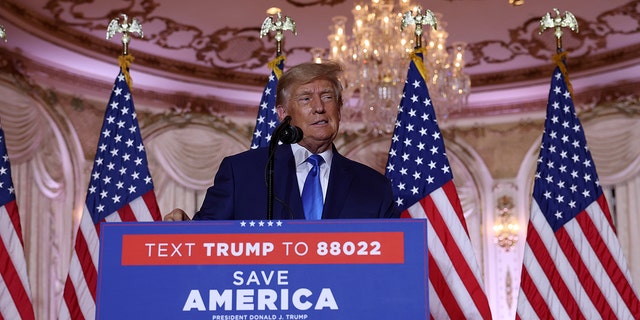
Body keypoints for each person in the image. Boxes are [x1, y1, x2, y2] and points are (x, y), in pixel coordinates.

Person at [164, 61, 398, 221]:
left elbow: (392, 260)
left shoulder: (374, 187)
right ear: (283, 114)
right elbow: (208, 242)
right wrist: (185, 230)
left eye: (327, 97)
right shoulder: (242, 173)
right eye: (306, 98)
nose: (319, 107)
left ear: (339, 109)